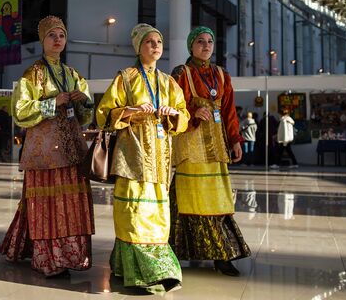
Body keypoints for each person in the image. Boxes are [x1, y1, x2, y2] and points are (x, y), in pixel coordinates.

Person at [0, 15, 95, 277]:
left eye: (61, 35)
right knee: (47, 205)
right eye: (52, 35)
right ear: (42, 40)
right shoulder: (33, 74)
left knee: (69, 204)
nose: (57, 40)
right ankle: (49, 259)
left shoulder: (73, 74)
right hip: (44, 153)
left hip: (72, 149)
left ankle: (71, 255)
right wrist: (54, 102)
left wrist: (81, 101)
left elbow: (87, 117)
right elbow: (20, 111)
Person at [97, 23, 189, 293]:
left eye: (159, 41)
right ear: (139, 47)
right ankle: (137, 269)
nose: (156, 46)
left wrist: (173, 113)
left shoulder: (168, 82)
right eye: (149, 42)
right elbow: (105, 114)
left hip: (160, 158)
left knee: (158, 212)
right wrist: (132, 111)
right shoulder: (125, 78)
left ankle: (159, 267)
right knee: (134, 211)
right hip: (133, 155)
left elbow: (183, 117)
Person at [170, 26, 251, 277]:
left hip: (216, 146)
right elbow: (172, 106)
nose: (206, 46)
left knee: (217, 198)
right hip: (191, 145)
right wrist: (192, 113)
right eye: (200, 41)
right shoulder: (181, 73)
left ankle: (221, 254)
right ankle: (177, 252)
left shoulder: (221, 74)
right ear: (191, 45)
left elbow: (229, 111)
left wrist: (235, 139)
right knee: (188, 197)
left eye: (210, 41)